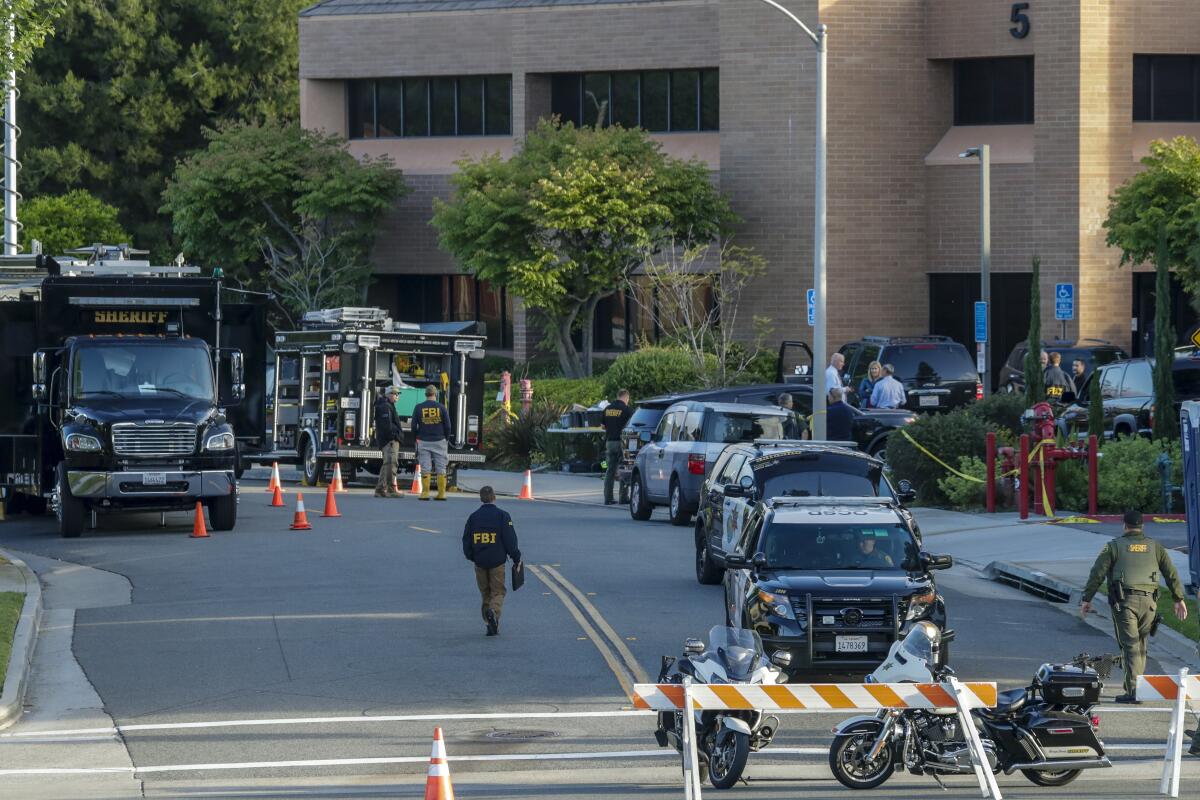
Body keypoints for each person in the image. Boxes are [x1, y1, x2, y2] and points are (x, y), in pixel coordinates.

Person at [1080, 509, 1188, 703]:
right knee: (1140, 646)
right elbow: (1171, 573)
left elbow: (1097, 573)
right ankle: (1137, 687)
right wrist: (1178, 598)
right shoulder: (1155, 547)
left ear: (1124, 526)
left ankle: (1134, 691)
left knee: (1130, 647)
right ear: (1142, 526)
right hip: (1150, 604)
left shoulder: (1114, 547)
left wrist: (1087, 599)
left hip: (1124, 603)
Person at [462, 486, 521, 636]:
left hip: (480, 561)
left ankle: (488, 623)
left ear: (481, 498)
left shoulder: (473, 517)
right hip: (497, 561)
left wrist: (472, 556)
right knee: (498, 591)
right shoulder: (503, 516)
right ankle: (493, 612)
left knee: (485, 593)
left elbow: (466, 540)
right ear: (494, 497)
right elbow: (510, 540)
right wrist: (516, 557)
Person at [413, 384, 452, 501]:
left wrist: (416, 437)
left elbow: (413, 426)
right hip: (439, 440)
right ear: (435, 394)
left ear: (426, 394)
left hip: (423, 441)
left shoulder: (418, 407)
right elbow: (448, 426)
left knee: (425, 467)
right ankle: (441, 494)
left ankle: (425, 493)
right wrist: (446, 437)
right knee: (441, 467)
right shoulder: (441, 407)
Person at [602, 389, 633, 505]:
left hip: (609, 442)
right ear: (626, 397)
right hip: (622, 442)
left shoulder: (607, 409)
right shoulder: (627, 410)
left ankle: (608, 498)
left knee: (610, 471)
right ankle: (623, 497)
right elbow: (631, 427)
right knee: (623, 469)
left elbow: (602, 426)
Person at [373, 386, 402, 498]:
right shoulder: (385, 407)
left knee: (387, 464)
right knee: (391, 464)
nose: (397, 396)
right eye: (395, 394)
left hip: (388, 440)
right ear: (389, 394)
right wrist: (394, 436)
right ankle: (390, 489)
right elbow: (386, 426)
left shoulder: (387, 405)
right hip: (389, 440)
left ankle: (380, 489)